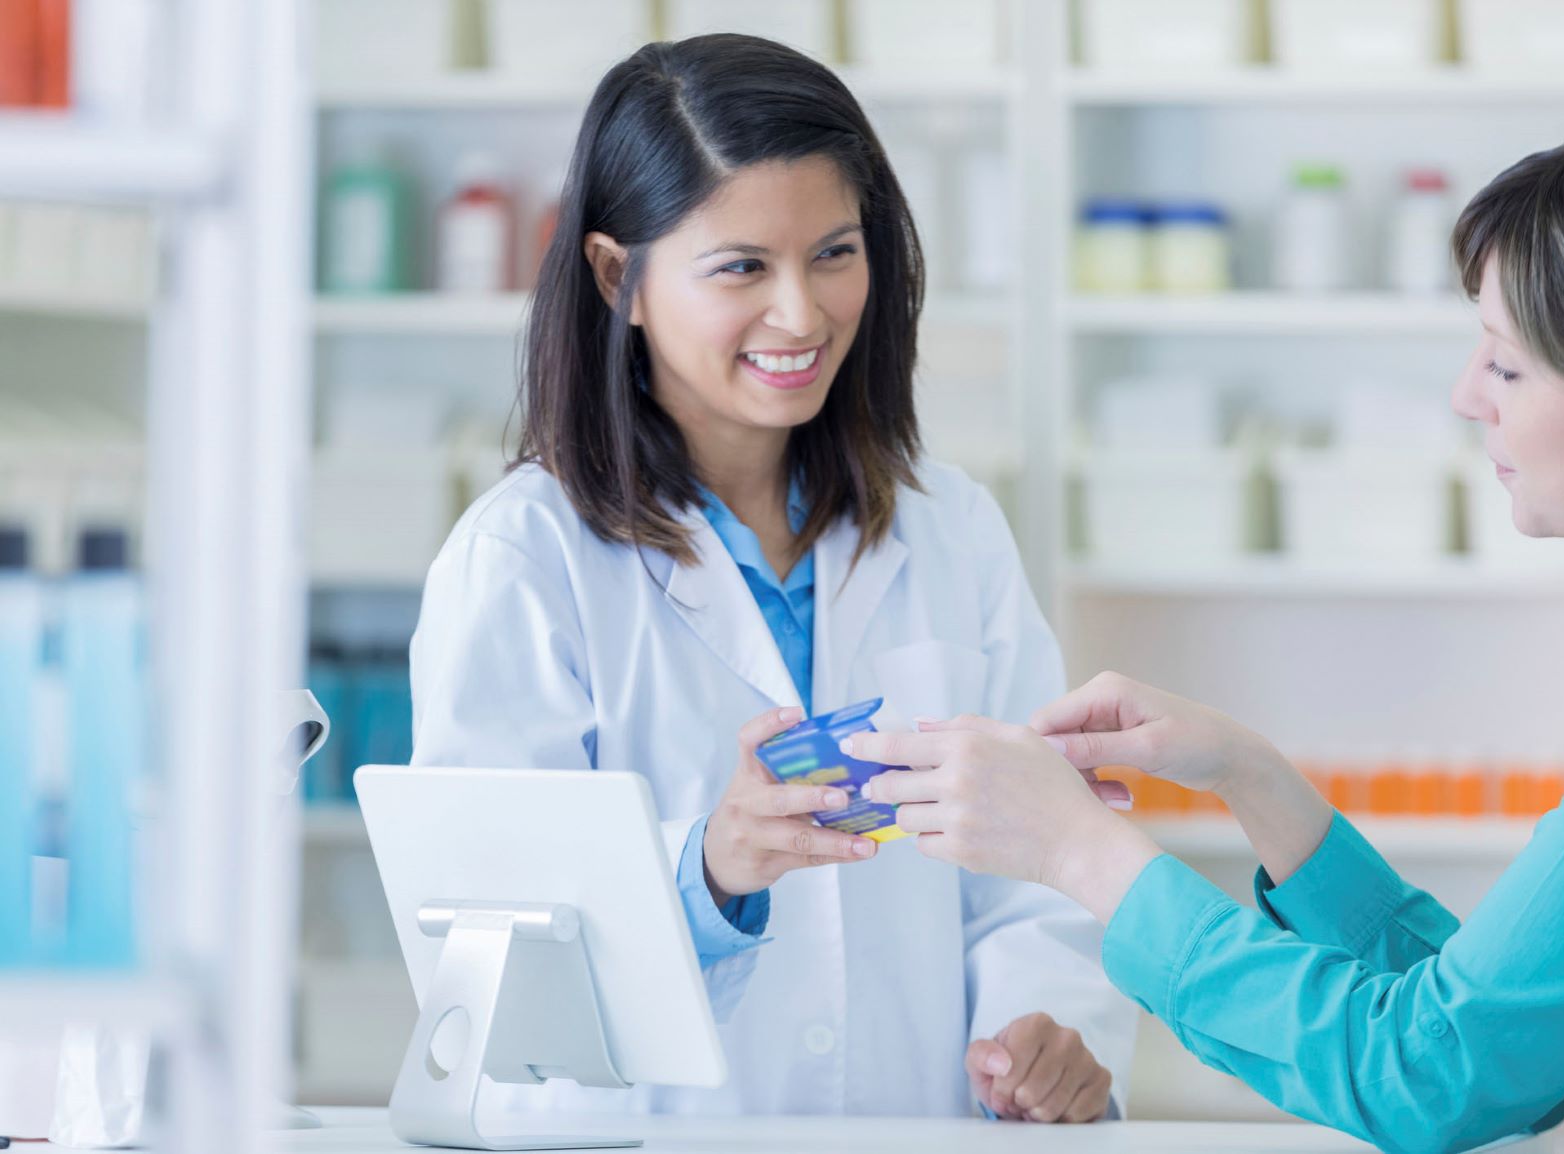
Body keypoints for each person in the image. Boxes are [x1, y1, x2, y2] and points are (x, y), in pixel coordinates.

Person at [847, 119, 1564, 1154]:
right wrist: (1249, 774)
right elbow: (1516, 1046)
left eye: (1506, 367)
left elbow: (1429, 1074)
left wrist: (1080, 851)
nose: (1465, 396)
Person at [408, 34, 1134, 1124]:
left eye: (834, 252)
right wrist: (708, 868)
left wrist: (1048, 1030)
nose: (801, 313)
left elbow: (1037, 874)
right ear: (616, 277)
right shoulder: (524, 558)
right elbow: (488, 948)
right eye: (741, 267)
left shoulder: (952, 530)